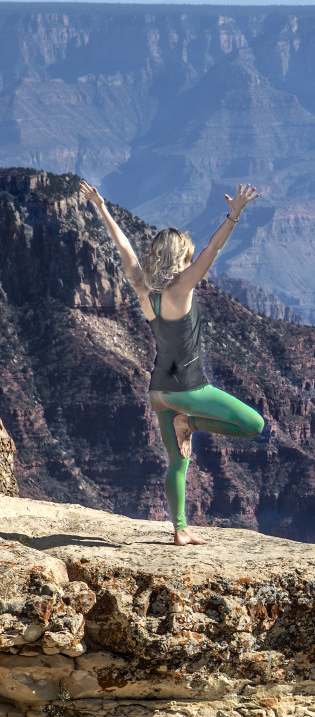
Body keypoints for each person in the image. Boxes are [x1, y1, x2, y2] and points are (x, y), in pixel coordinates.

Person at [78, 180, 265, 547]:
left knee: (178, 464)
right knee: (253, 424)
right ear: (180, 255)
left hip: (158, 391)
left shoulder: (142, 285)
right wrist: (234, 215)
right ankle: (189, 422)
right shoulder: (182, 287)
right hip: (189, 390)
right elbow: (213, 249)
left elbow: (123, 246)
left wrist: (101, 207)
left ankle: (179, 531)